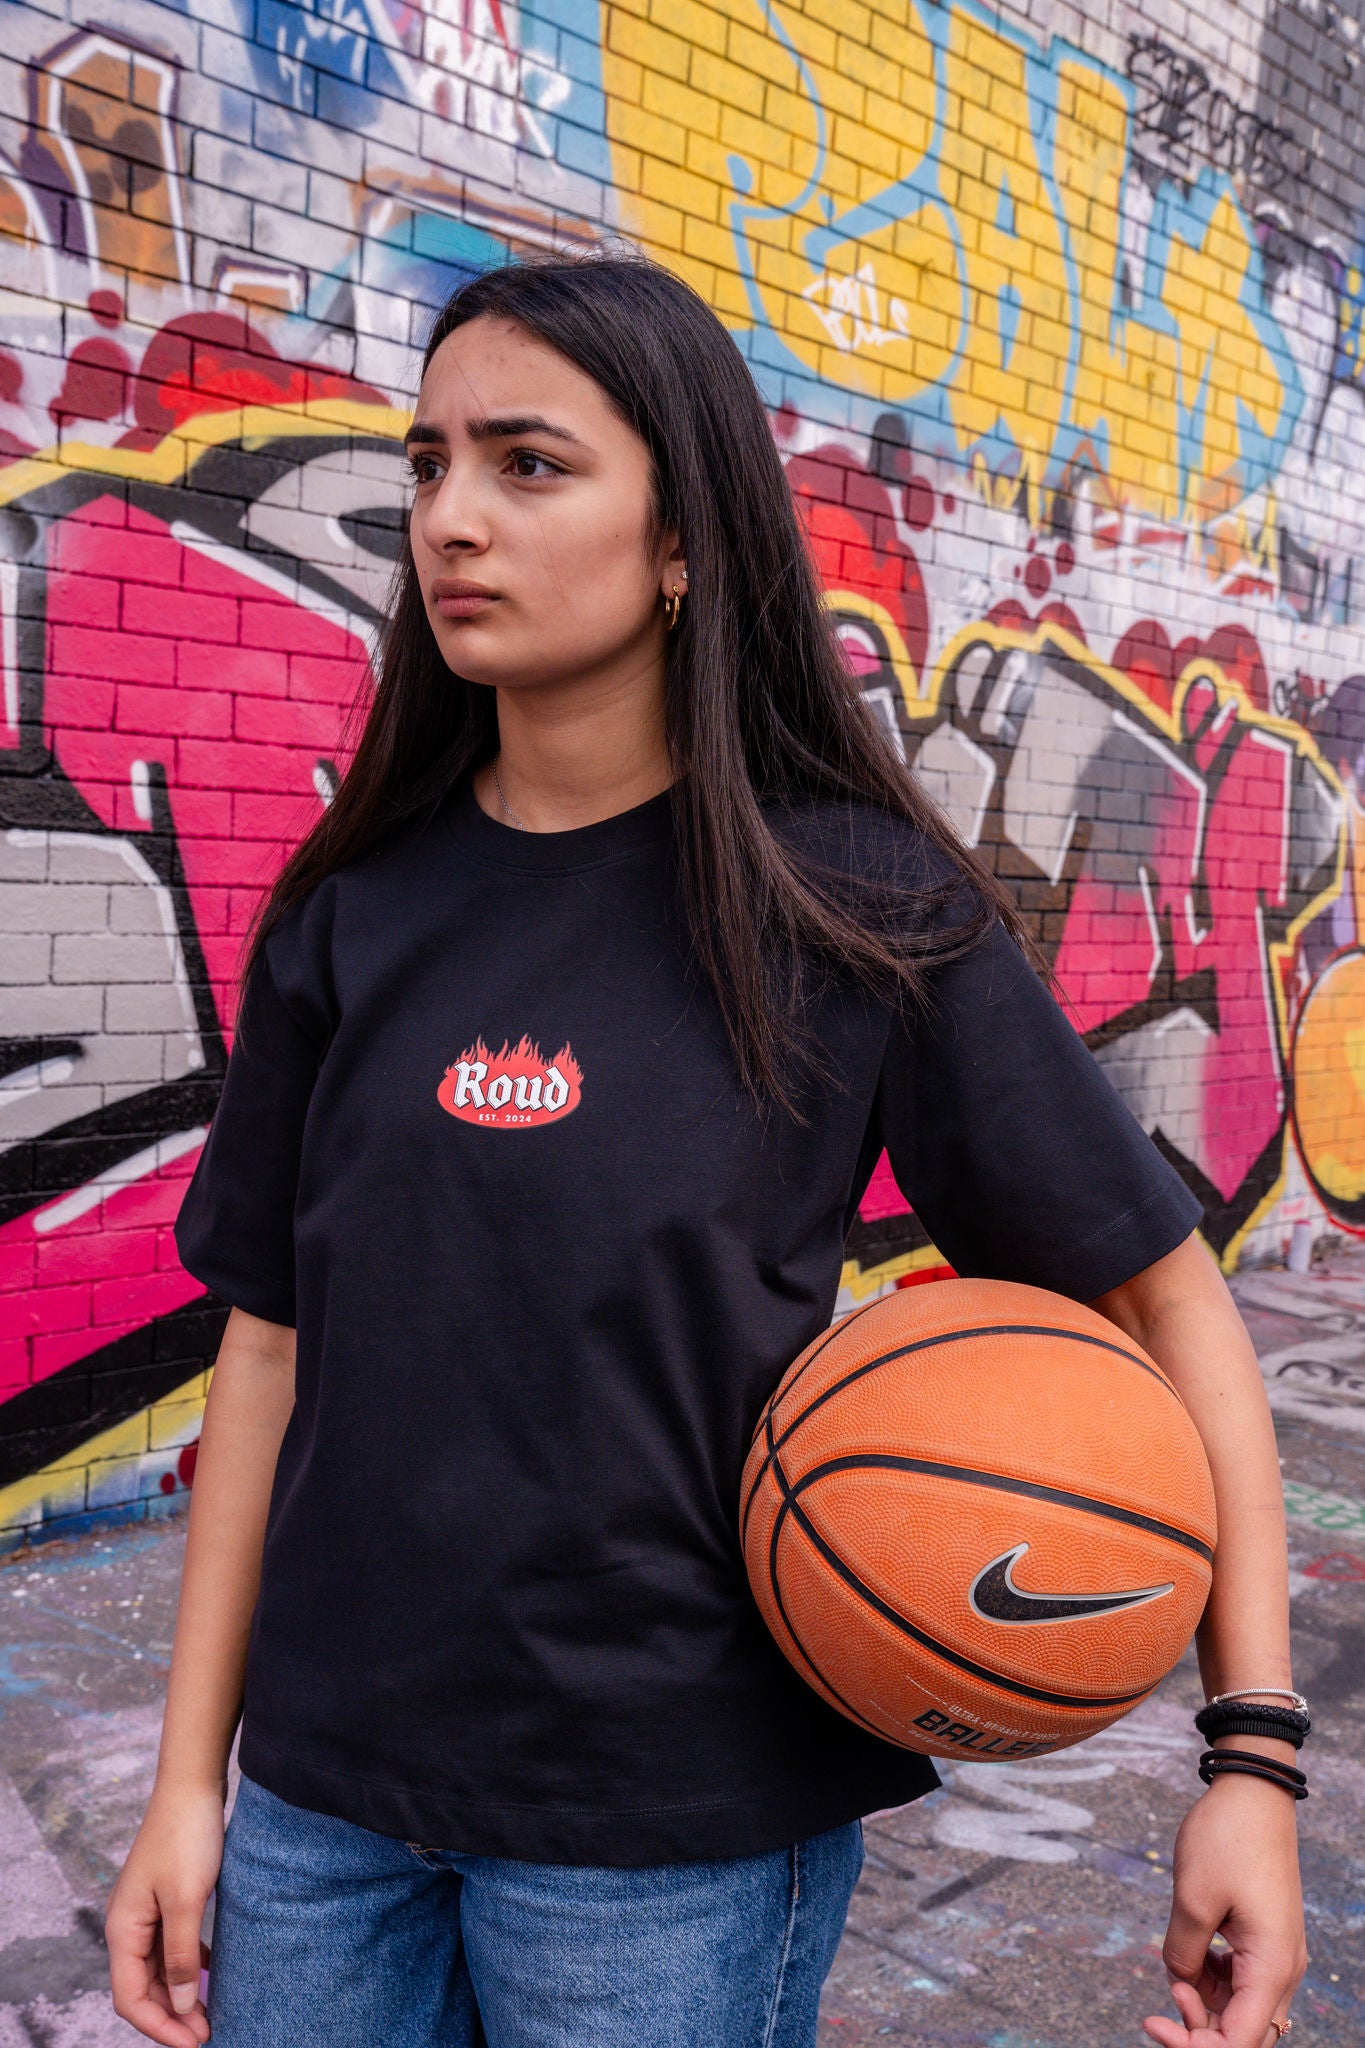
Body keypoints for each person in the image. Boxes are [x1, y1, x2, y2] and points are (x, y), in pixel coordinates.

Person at [104, 253, 1308, 2048]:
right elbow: (266, 1351)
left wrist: (1252, 1763)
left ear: (683, 540)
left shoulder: (855, 905)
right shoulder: (349, 913)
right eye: (429, 464)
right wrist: (189, 1785)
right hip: (320, 1812)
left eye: (529, 465)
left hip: (667, 1837)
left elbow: (1166, 1298)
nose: (450, 518)